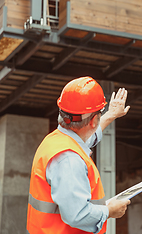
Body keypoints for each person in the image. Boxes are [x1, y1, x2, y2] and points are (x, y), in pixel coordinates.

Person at [27, 76, 131, 234]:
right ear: (93, 120)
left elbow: (85, 138)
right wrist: (110, 211)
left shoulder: (58, 141)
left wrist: (111, 115)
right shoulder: (69, 159)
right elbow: (77, 215)